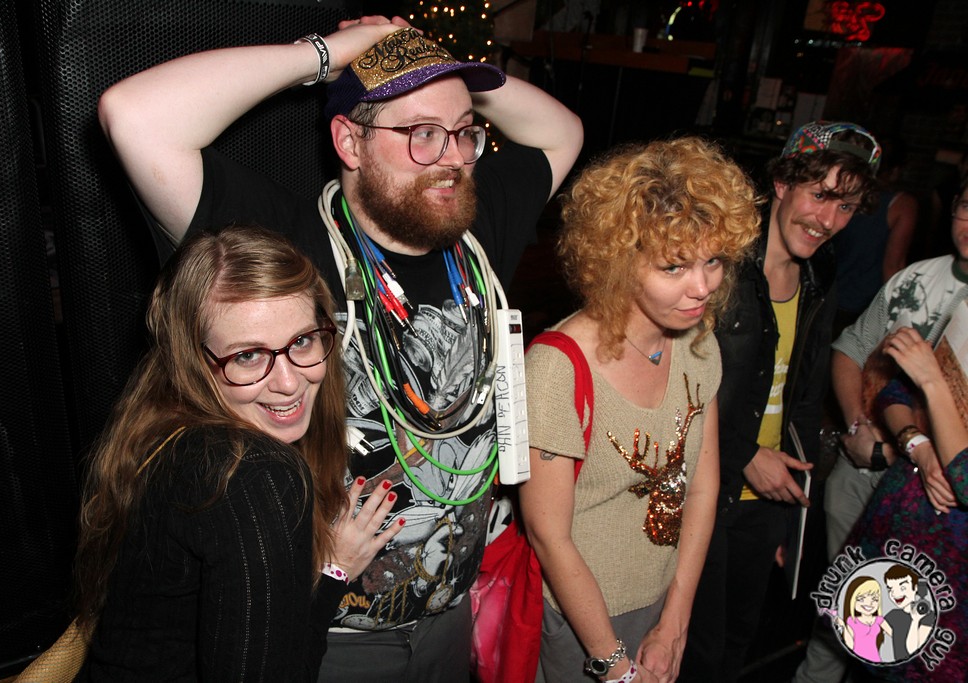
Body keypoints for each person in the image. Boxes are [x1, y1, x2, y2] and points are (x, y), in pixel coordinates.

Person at [98, 16, 583, 680]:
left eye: (465, 132)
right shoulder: (286, 247)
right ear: (349, 141)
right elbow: (134, 116)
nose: (453, 158)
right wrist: (330, 54)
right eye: (421, 133)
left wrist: (431, 58)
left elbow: (563, 131)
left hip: (451, 616)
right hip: (327, 631)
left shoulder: (474, 227)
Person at [73, 224, 402, 680]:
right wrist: (335, 571)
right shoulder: (253, 475)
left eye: (302, 341)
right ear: (193, 361)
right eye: (247, 356)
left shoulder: (159, 429)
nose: (289, 382)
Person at [520, 138, 762, 683]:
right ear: (618, 261)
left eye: (713, 260)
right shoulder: (556, 369)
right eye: (674, 267)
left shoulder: (699, 344)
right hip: (578, 620)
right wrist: (613, 665)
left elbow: (702, 488)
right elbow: (549, 537)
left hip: (665, 596)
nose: (702, 287)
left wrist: (676, 618)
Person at [678, 121, 881, 683]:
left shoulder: (819, 273)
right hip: (702, 489)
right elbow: (676, 383)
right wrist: (744, 453)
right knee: (696, 651)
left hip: (768, 497)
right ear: (784, 183)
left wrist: (794, 515)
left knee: (738, 643)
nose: (827, 220)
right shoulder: (719, 264)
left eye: (846, 207)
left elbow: (806, 398)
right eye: (820, 195)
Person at [794, 173, 968, 683]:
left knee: (913, 652)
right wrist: (860, 429)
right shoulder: (917, 278)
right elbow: (853, 350)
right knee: (842, 628)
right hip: (871, 480)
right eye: (966, 206)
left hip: (943, 519)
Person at [845, 324, 968, 681]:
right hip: (896, 532)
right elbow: (894, 394)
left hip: (952, 578)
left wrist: (932, 381)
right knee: (865, 658)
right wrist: (919, 447)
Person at [831, 138, 918, 332]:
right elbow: (893, 267)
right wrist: (897, 320)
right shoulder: (903, 205)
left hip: (826, 295)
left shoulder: (841, 192)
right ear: (896, 170)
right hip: (863, 307)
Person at [882, 565, 935, 660]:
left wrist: (915, 620)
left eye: (902, 588)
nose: (895, 594)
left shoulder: (928, 616)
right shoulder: (893, 615)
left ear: (915, 587)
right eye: (890, 589)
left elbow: (913, 650)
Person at [835, 576, 891, 662]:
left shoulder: (879, 620)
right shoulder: (852, 621)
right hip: (857, 660)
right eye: (861, 599)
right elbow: (850, 645)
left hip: (875, 660)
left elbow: (895, 635)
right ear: (852, 600)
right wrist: (842, 626)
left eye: (875, 599)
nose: (869, 603)